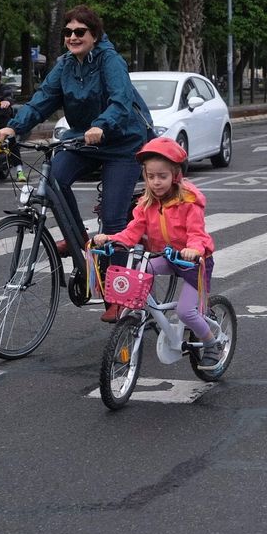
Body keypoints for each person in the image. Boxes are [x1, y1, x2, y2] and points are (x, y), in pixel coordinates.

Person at [0, 6, 152, 322]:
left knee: (112, 222)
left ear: (94, 35)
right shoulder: (66, 65)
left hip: (122, 142)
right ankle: (76, 236)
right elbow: (43, 100)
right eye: (68, 32)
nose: (72, 37)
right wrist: (15, 126)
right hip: (85, 140)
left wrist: (102, 125)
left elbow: (121, 102)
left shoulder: (111, 61)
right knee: (53, 174)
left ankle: (117, 294)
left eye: (79, 32)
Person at [92, 137, 223, 369]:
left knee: (185, 312)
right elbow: (132, 232)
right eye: (150, 177)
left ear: (176, 175)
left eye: (162, 176)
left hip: (194, 262)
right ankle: (146, 313)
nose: (156, 182)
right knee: (141, 271)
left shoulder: (189, 202)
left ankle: (212, 343)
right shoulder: (146, 203)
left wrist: (193, 250)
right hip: (167, 256)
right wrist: (112, 238)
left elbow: (196, 233)